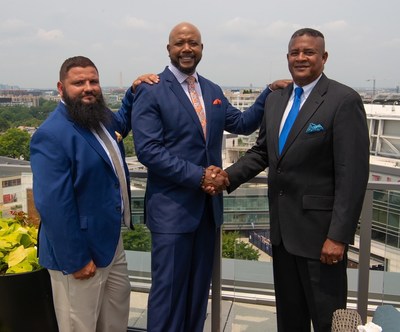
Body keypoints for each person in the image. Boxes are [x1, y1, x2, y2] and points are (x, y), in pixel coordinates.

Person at [131, 22, 290, 332]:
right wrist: (199, 175)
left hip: (207, 211)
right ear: (169, 49)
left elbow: (242, 123)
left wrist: (268, 91)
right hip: (172, 212)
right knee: (169, 292)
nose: (187, 48)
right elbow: (149, 151)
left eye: (193, 43)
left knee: (197, 293)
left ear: (202, 49)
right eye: (180, 43)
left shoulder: (212, 90)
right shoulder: (150, 91)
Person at [212, 28, 370, 331]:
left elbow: (353, 176)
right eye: (295, 52)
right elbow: (261, 153)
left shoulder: (343, 100)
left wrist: (338, 236)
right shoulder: (276, 100)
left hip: (322, 238)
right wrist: (225, 178)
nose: (301, 58)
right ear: (287, 58)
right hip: (283, 236)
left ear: (324, 57)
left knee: (328, 322)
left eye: (309, 52)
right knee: (289, 319)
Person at [30, 56, 158, 332]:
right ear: (61, 88)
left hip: (110, 242)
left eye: (93, 81)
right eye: (79, 82)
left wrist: (134, 91)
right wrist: (76, 259)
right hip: (78, 252)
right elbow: (53, 206)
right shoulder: (52, 134)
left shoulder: (99, 119)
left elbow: (120, 124)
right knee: (80, 325)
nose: (88, 87)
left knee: (115, 318)